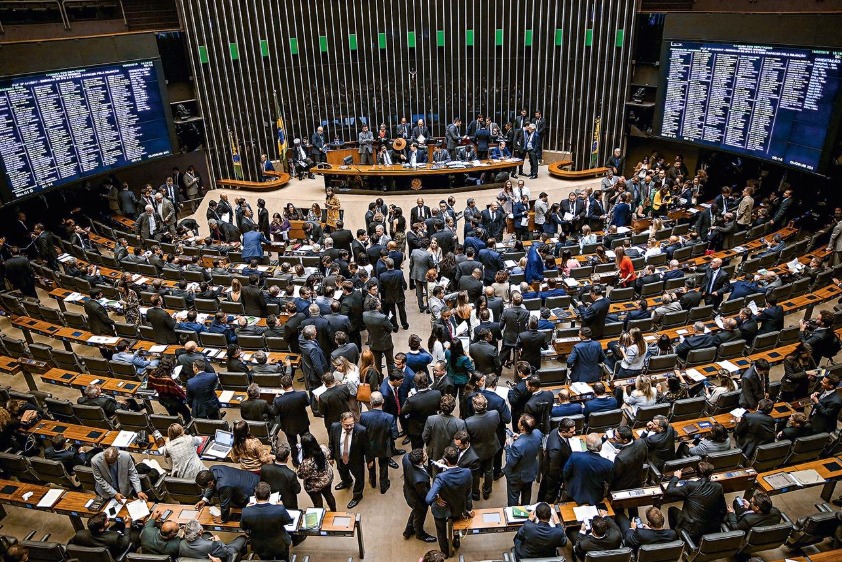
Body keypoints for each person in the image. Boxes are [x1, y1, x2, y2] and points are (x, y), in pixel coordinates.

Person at [426, 446, 474, 558]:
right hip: (458, 506)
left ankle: (445, 553)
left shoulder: (441, 477)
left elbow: (429, 498)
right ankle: (456, 540)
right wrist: (469, 509)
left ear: (446, 461)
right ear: (457, 459)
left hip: (442, 509)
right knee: (456, 525)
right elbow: (468, 493)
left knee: (441, 531)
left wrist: (437, 498)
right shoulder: (467, 472)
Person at [240, 481, 294, 562]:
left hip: (260, 545)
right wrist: (281, 506)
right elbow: (288, 521)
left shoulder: (246, 511)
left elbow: (243, 527)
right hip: (279, 544)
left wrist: (247, 508)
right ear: (269, 495)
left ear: (255, 495)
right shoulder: (279, 509)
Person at [359, 391, 399, 493]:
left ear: (370, 402)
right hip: (384, 446)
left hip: (369, 447)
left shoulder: (363, 416)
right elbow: (395, 435)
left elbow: (361, 433)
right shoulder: (389, 417)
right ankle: (383, 486)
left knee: (370, 464)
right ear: (383, 401)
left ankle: (372, 481)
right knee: (384, 466)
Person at [329, 411, 369, 509]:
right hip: (341, 457)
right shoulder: (334, 427)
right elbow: (331, 443)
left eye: (352, 424)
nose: (350, 427)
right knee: (342, 471)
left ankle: (357, 496)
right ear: (341, 422)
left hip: (356, 460)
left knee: (359, 479)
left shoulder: (361, 430)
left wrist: (370, 460)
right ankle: (347, 482)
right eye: (347, 425)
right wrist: (331, 457)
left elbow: (367, 447)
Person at [195, 465, 260, 523]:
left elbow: (225, 504)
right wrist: (204, 500)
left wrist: (222, 519)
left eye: (203, 487)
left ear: (209, 483)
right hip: (249, 478)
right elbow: (212, 486)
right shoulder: (213, 469)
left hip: (253, 490)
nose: (203, 489)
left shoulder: (223, 485)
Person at [563, 433, 613, 505]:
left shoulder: (575, 456)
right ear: (600, 447)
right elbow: (609, 480)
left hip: (574, 492)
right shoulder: (608, 464)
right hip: (595, 496)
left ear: (586, 446)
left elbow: (565, 472)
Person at [503, 413, 542, 506]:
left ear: (522, 428)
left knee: (513, 497)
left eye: (519, 422)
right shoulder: (538, 433)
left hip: (517, 476)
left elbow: (510, 462)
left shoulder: (517, 446)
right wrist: (520, 437)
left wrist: (508, 448)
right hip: (530, 471)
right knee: (527, 495)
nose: (518, 422)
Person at [402, 448, 437, 543]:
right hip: (417, 500)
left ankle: (408, 531)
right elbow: (425, 494)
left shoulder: (406, 458)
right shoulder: (419, 479)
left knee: (415, 512)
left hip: (408, 490)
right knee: (420, 515)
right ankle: (419, 533)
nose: (426, 453)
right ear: (420, 462)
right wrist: (435, 501)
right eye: (424, 455)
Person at [297, 432, 337, 511]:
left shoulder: (307, 463)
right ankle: (333, 511)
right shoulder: (323, 448)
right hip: (327, 478)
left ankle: (320, 514)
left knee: (317, 502)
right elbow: (329, 456)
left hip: (314, 485)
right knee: (329, 495)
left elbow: (301, 475)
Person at [273, 373, 310, 452]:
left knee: (293, 446)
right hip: (302, 423)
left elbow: (275, 413)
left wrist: (275, 399)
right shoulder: (302, 394)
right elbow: (307, 403)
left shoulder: (278, 401)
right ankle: (307, 456)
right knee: (307, 442)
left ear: (282, 386)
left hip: (288, 426)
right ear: (292, 383)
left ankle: (296, 461)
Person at [71, 512, 137, 557]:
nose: (108, 519)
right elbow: (125, 543)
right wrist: (128, 525)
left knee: (118, 525)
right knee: (136, 535)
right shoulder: (114, 538)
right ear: (101, 529)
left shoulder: (80, 534)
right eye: (106, 521)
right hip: (114, 553)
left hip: (95, 555)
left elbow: (71, 545)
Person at [259, 442, 301, 509]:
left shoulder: (264, 468)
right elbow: (297, 490)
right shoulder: (291, 474)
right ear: (287, 459)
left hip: (270, 500)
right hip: (287, 504)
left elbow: (262, 483)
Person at [179, 520, 246, 561]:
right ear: (199, 532)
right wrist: (219, 541)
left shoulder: (181, 543)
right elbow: (225, 553)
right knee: (242, 538)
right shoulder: (212, 545)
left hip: (198, 556)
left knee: (207, 534)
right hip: (223, 556)